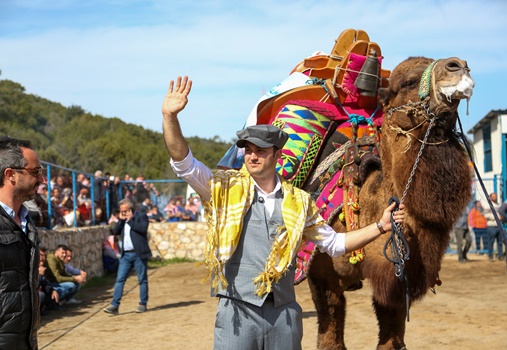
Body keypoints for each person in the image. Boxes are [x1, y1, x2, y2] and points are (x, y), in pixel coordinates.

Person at [161, 76, 405, 349]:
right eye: (248, 150)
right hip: (237, 314)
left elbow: (335, 244)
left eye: (261, 151)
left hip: (284, 316)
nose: (252, 157)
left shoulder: (299, 202)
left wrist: (381, 227)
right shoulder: (225, 190)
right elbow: (184, 164)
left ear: (277, 156)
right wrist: (170, 117)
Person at [0, 136, 45, 349]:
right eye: (35, 172)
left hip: (26, 340)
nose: (41, 179)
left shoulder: (27, 221)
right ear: (11, 175)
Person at [103, 198, 151, 315]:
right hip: (126, 254)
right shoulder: (123, 219)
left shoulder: (141, 216)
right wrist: (121, 220)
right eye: (121, 211)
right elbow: (115, 231)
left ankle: (142, 303)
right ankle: (115, 305)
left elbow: (142, 229)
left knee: (142, 279)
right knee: (120, 279)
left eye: (125, 210)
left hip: (138, 253)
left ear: (131, 208)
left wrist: (130, 220)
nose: (123, 213)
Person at [482, 193, 504, 261]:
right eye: (493, 197)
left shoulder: (499, 205)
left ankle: (500, 256)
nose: (495, 198)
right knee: (491, 242)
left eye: (496, 196)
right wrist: (496, 217)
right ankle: (490, 256)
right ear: (490, 198)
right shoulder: (487, 205)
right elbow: (485, 215)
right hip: (491, 226)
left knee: (500, 242)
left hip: (499, 226)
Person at [38, 248, 60, 315]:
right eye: (41, 255)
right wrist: (39, 276)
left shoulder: (42, 268)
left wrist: (53, 290)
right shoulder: (29, 269)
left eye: (44, 256)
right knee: (41, 295)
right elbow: (32, 287)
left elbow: (46, 284)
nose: (43, 258)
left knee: (55, 292)